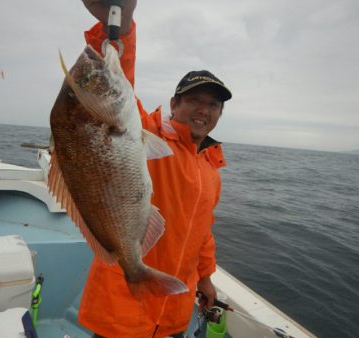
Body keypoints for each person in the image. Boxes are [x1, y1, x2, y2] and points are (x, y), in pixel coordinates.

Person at [78, 1, 232, 337]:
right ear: (174, 104)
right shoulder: (146, 132)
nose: (204, 110)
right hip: (122, 312)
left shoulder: (211, 169)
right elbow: (109, 87)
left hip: (174, 314)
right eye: (195, 100)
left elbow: (203, 233)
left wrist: (205, 277)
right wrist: (120, 25)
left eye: (213, 105)